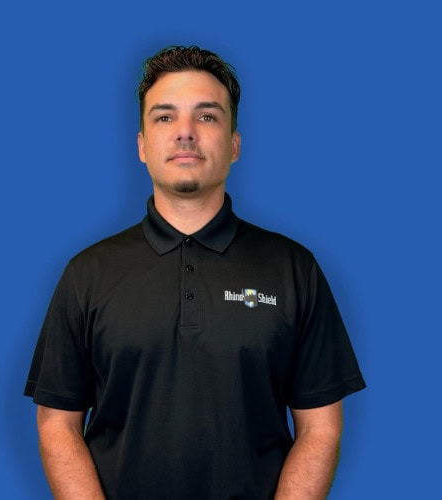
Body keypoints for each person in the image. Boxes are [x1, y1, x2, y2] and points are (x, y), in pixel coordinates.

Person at [24, 45, 366, 499]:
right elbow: (57, 424)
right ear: (142, 146)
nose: (185, 132)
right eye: (165, 117)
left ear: (234, 144)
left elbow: (320, 428)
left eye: (207, 116)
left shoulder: (293, 269)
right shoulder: (86, 273)